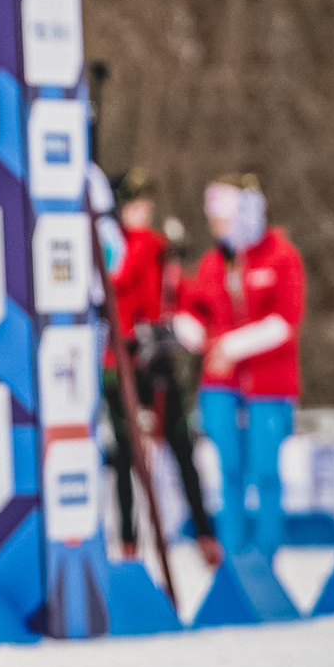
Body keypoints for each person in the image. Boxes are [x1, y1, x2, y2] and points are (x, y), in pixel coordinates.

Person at [173, 176, 304, 557]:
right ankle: (233, 554)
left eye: (223, 218)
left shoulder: (281, 257)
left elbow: (285, 321)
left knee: (264, 470)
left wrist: (231, 347)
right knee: (228, 470)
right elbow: (197, 312)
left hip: (269, 383)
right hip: (220, 384)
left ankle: (266, 555)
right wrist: (185, 327)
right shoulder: (212, 264)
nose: (216, 227)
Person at [101, 170, 219, 565]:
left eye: (146, 205)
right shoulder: (115, 243)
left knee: (182, 447)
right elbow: (115, 282)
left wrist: (186, 320)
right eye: (135, 205)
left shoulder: (160, 250)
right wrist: (144, 244)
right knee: (125, 455)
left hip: (158, 360)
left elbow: (179, 294)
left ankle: (205, 534)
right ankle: (129, 539)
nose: (144, 212)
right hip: (121, 362)